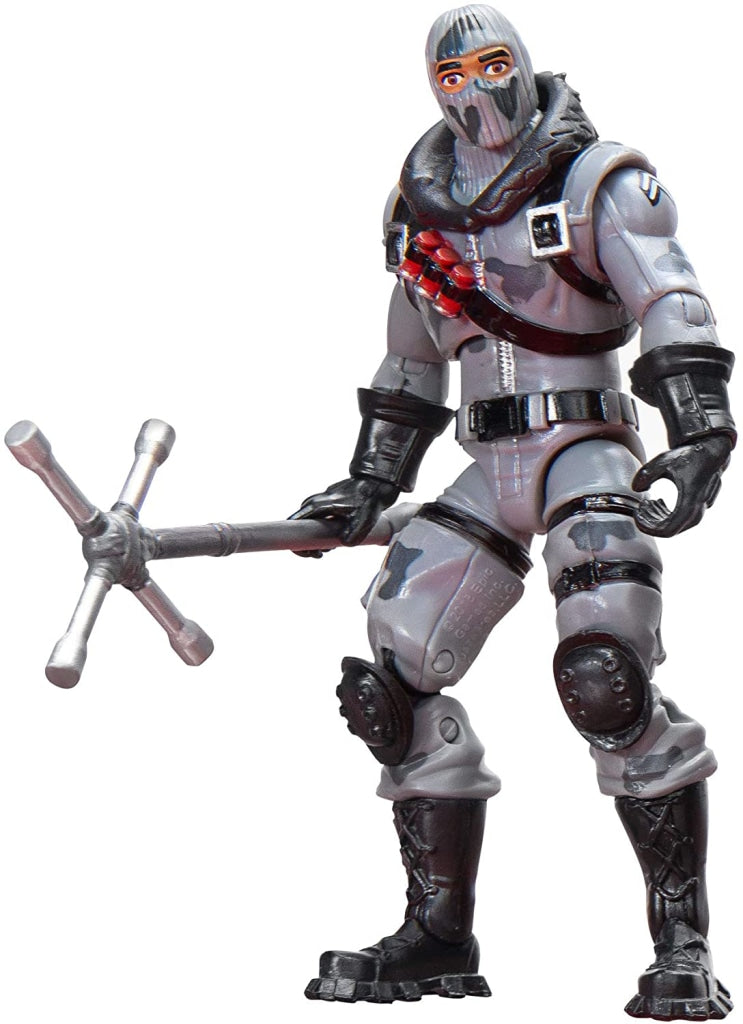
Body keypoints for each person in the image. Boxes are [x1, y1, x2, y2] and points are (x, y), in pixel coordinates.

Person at [294, 6, 735, 1017]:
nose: (476, 89)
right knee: (391, 677)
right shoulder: (417, 209)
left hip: (585, 447)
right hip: (484, 462)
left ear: (525, 67)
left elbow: (670, 298)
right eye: (453, 74)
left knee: (604, 675)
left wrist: (699, 426)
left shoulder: (595, 181)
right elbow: (410, 356)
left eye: (493, 64)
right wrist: (369, 479)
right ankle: (435, 936)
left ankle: (681, 943)